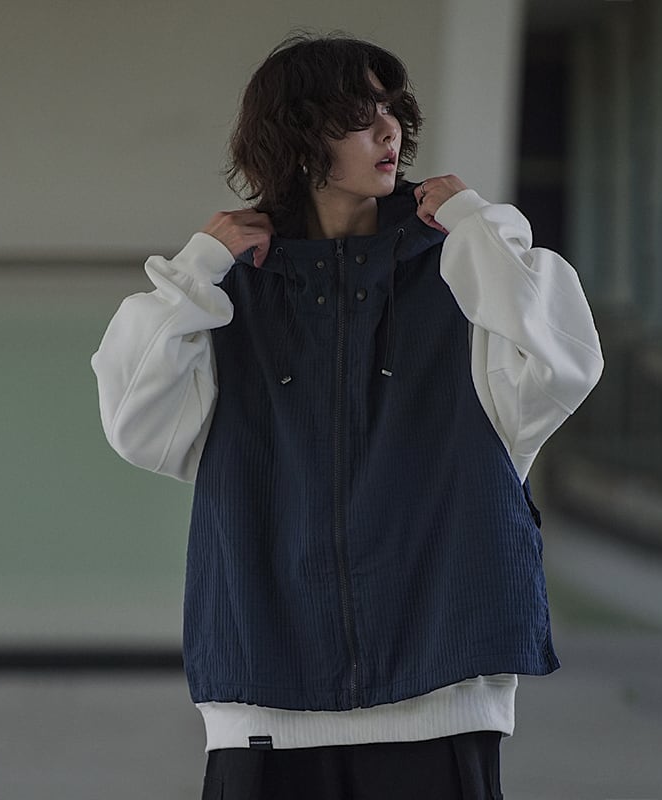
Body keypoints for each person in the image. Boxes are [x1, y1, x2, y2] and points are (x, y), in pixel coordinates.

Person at [92, 33, 603, 800]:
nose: (390, 129)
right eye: (360, 115)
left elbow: (564, 362)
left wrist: (474, 224)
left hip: (441, 690)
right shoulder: (233, 292)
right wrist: (198, 268)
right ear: (299, 135)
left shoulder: (458, 271)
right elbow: (135, 420)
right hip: (264, 692)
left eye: (393, 110)